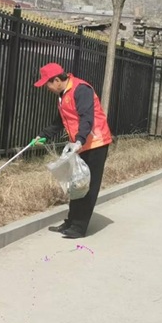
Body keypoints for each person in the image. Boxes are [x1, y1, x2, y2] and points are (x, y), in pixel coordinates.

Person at [34, 63, 112, 239]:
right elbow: (61, 120)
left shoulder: (81, 89)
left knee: (87, 186)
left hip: (95, 144)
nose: (47, 88)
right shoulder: (63, 94)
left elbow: (87, 118)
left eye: (47, 84)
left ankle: (79, 227)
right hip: (80, 144)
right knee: (76, 184)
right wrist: (43, 135)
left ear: (56, 80)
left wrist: (80, 140)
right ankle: (71, 221)